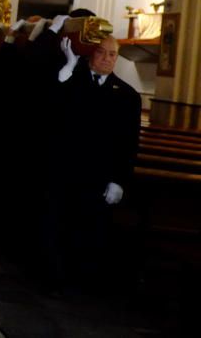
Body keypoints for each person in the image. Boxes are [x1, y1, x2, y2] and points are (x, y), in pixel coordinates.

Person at [42, 34, 140, 290]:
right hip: (65, 170)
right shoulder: (70, 80)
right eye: (101, 52)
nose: (107, 59)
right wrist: (67, 68)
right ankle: (54, 278)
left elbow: (128, 143)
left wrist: (119, 180)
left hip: (98, 176)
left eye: (112, 54)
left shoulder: (127, 95)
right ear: (90, 54)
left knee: (87, 230)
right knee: (57, 225)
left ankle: (78, 281)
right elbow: (50, 109)